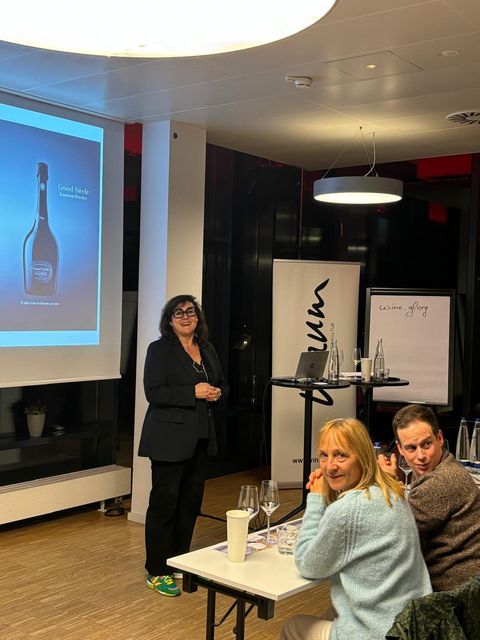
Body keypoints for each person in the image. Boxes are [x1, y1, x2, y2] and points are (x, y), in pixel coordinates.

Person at [280, 417, 431, 640]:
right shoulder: (391, 491)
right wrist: (329, 492)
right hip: (415, 625)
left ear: (362, 457)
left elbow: (306, 564)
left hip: (377, 632)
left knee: (292, 626)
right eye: (324, 455)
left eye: (340, 455)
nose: (330, 466)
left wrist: (316, 498)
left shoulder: (348, 510)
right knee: (331, 612)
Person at [138, 294, 228, 597]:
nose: (186, 317)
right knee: (164, 505)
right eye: (178, 313)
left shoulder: (207, 348)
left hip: (201, 437)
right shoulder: (159, 350)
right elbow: (154, 392)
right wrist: (193, 392)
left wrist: (217, 393)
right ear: (169, 320)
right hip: (168, 439)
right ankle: (156, 570)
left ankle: (178, 560)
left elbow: (222, 383)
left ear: (198, 318)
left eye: (191, 312)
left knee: (190, 503)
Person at [378, 403, 480, 591]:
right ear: (400, 449)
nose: (421, 456)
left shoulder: (441, 481)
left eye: (426, 444)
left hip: (451, 596)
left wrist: (388, 481)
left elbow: (390, 537)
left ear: (439, 438)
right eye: (411, 448)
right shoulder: (444, 465)